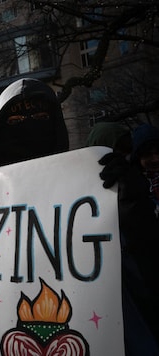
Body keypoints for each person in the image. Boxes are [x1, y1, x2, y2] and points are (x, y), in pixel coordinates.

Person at [0, 67, 159, 354]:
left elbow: (142, 262)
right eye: (17, 120)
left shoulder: (96, 183)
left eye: (41, 118)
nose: (29, 127)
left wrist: (131, 200)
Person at [98, 123, 159, 353]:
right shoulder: (127, 183)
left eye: (157, 152)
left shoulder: (136, 182)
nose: (154, 159)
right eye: (147, 154)